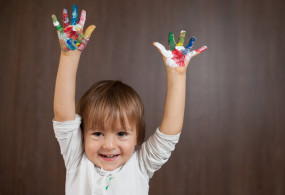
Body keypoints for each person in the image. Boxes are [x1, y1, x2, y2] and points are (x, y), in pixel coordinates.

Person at [52, 5, 207, 195]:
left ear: (137, 137)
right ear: (81, 134)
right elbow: (62, 115)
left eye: (122, 134)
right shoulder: (76, 158)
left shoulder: (140, 165)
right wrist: (70, 55)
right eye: (98, 133)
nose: (109, 145)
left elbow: (169, 133)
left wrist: (177, 75)